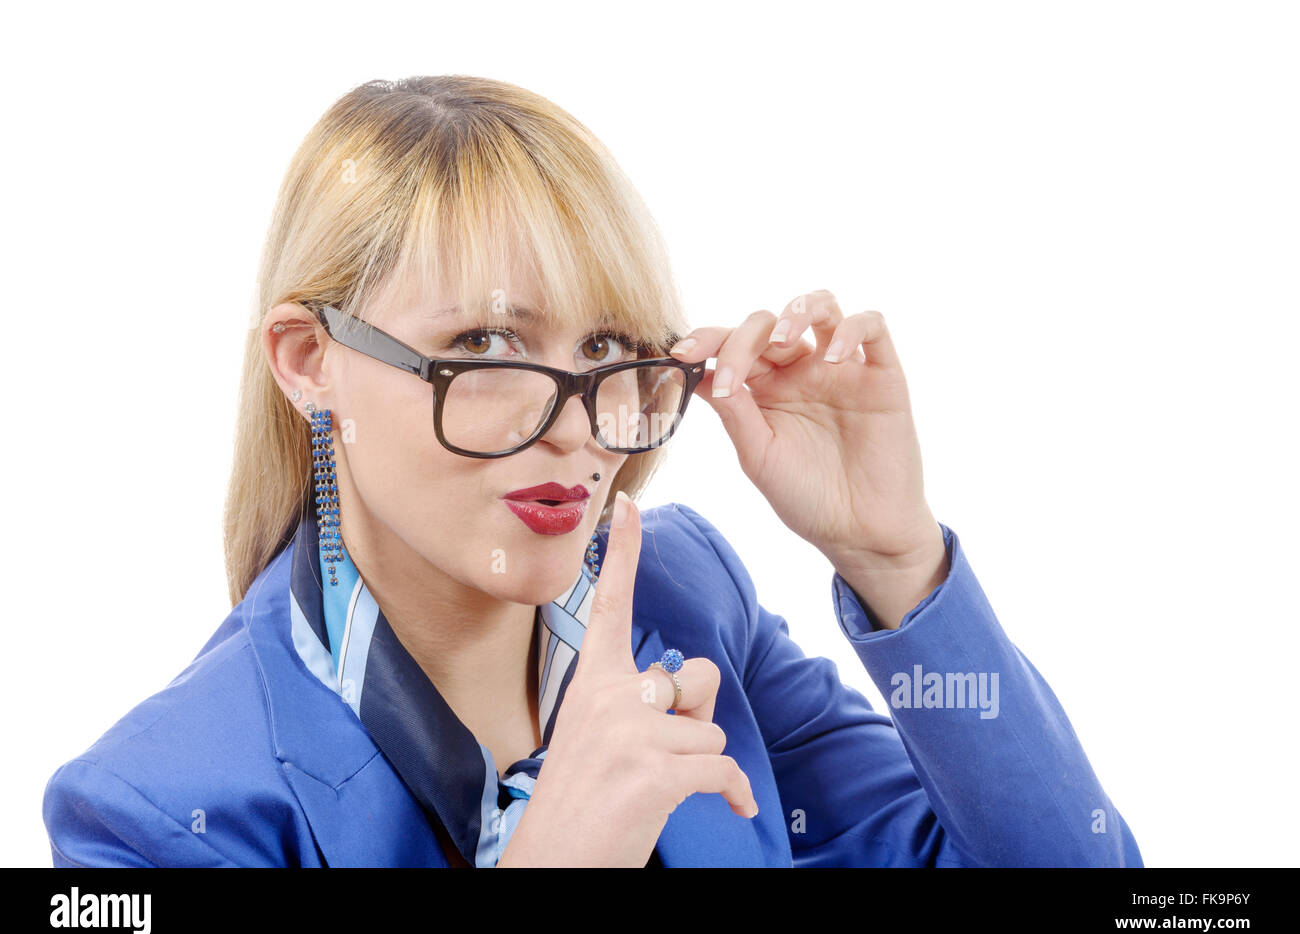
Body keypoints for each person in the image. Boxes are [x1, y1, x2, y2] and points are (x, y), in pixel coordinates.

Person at [42, 75, 1142, 867]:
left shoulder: (687, 596)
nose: (574, 428)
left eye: (609, 351)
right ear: (310, 362)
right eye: (481, 347)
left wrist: (892, 556)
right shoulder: (153, 810)